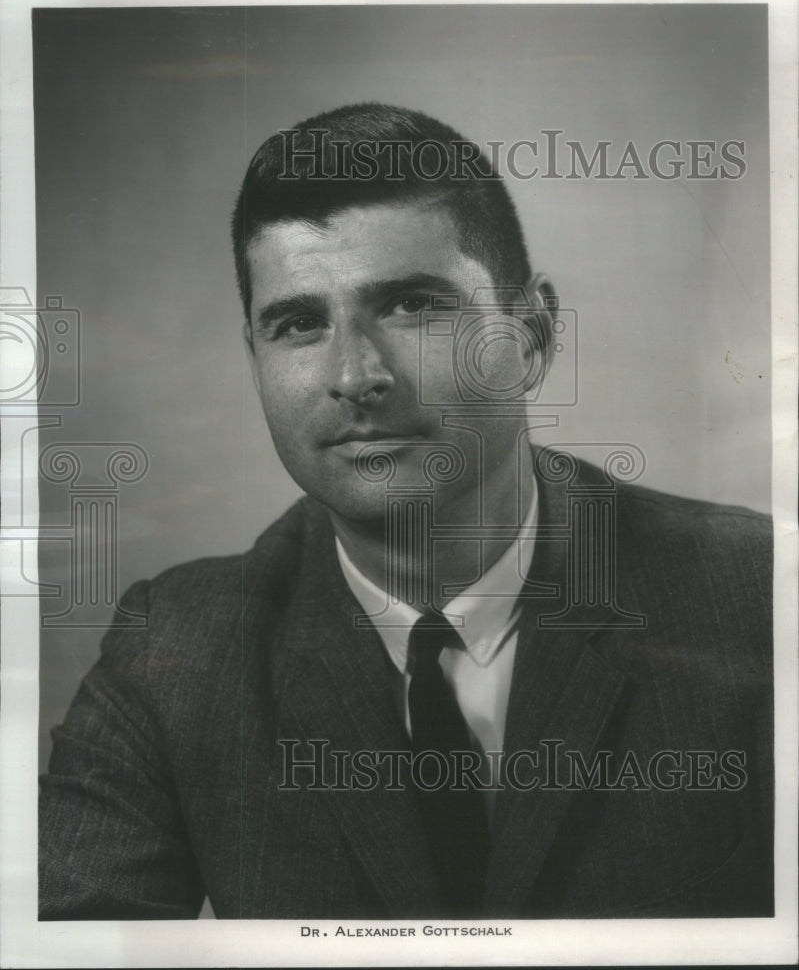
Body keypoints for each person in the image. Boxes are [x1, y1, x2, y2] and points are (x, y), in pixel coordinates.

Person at [39, 103, 773, 920]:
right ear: (254, 356)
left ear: (529, 337)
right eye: (297, 323)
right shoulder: (171, 654)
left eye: (411, 306)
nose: (355, 376)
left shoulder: (757, 599)